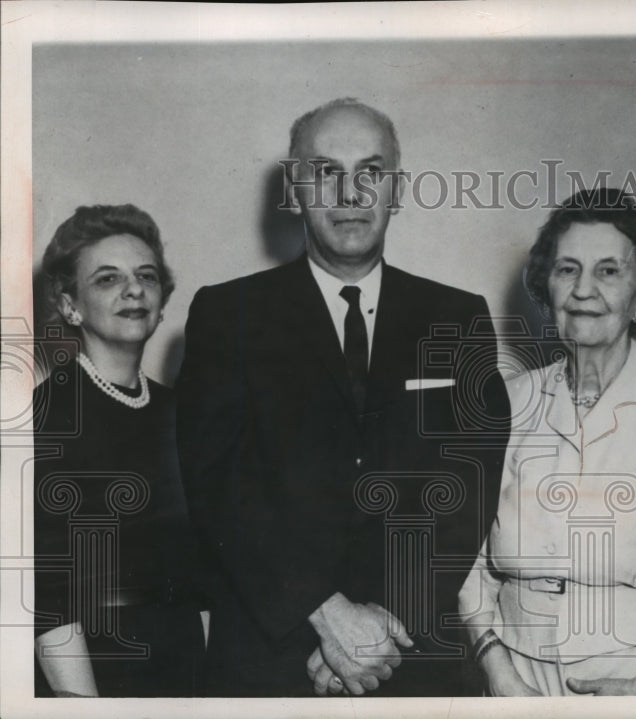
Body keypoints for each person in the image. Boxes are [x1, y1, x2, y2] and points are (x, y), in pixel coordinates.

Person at [175, 98, 510, 697]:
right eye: (327, 172)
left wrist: (379, 629)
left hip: (406, 661)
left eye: (370, 173)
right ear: (295, 189)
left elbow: (470, 489)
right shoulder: (228, 314)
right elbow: (215, 486)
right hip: (266, 661)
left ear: (397, 189)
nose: (350, 194)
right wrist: (326, 614)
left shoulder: (457, 318)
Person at [457, 188, 636, 696]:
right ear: (546, 291)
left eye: (608, 271)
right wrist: (496, 668)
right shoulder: (506, 402)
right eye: (567, 269)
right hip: (515, 681)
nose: (584, 290)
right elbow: (465, 559)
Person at [33, 204, 207, 697]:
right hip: (93, 667)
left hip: (184, 660)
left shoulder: (184, 412)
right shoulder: (45, 418)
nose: (134, 289)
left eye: (146, 276)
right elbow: (46, 594)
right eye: (108, 279)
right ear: (70, 306)